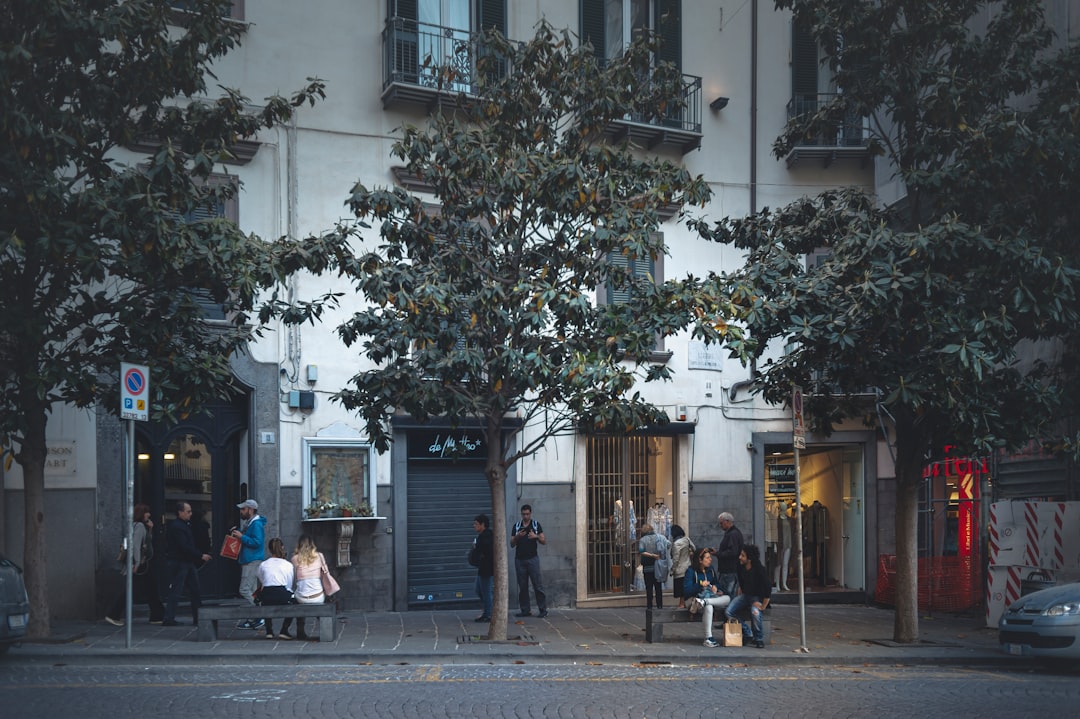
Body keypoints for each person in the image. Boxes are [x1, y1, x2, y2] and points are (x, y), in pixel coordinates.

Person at [105, 503, 164, 626]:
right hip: (140, 564)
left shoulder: (137, 526)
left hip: (141, 563)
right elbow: (136, 546)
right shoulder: (140, 526)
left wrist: (151, 529)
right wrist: (136, 563)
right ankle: (113, 614)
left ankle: (157, 616)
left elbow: (145, 543)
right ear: (142, 513)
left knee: (150, 589)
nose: (149, 514)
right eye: (147, 512)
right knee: (133, 590)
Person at [162, 501, 211, 626]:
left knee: (194, 590)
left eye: (190, 511)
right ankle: (169, 618)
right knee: (177, 590)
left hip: (187, 562)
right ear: (180, 512)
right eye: (188, 511)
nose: (190, 514)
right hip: (180, 562)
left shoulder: (184, 525)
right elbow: (184, 546)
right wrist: (200, 555)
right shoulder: (178, 527)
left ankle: (199, 617)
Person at [726, 543, 771, 648]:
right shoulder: (740, 567)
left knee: (755, 612)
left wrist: (763, 605)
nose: (740, 557)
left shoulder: (759, 569)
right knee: (729, 611)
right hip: (746, 595)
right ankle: (747, 632)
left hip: (757, 596)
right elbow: (741, 582)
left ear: (749, 559)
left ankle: (758, 638)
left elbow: (767, 587)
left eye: (743, 555)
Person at [683, 547, 731, 648]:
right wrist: (700, 586)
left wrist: (715, 587)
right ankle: (708, 638)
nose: (711, 559)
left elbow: (717, 583)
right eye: (707, 558)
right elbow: (687, 591)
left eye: (710, 557)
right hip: (693, 600)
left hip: (708, 598)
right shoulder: (690, 571)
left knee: (727, 599)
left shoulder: (711, 570)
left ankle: (705, 601)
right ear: (700, 560)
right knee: (709, 607)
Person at [231, 498, 267, 629]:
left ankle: (259, 615)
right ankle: (254, 617)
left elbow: (257, 542)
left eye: (243, 509)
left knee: (244, 589)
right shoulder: (250, 522)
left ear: (250, 510)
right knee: (252, 591)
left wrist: (241, 537)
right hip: (250, 559)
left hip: (252, 560)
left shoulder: (255, 524)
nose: (241, 511)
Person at [511, 504, 548, 618]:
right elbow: (512, 544)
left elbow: (544, 540)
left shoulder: (536, 525)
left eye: (527, 514)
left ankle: (542, 610)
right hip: (520, 560)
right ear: (521, 514)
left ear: (530, 513)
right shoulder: (517, 526)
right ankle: (525, 610)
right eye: (523, 514)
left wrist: (535, 536)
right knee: (522, 587)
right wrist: (517, 536)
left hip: (533, 559)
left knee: (537, 585)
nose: (525, 516)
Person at [257, 537, 296, 640]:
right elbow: (289, 584)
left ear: (269, 550)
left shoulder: (263, 564)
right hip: (281, 592)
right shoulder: (287, 565)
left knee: (265, 599)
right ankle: (284, 630)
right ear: (282, 548)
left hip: (267, 594)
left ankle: (269, 631)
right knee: (293, 602)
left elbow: (262, 580)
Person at [291, 534, 324, 641]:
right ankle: (324, 628)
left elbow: (295, 578)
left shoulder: (295, 559)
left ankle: (300, 631)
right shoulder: (320, 556)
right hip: (318, 596)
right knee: (320, 598)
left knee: (297, 598)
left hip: (301, 598)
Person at [714, 511, 744, 597]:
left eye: (721, 523)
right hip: (729, 569)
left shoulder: (733, 534)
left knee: (728, 593)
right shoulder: (732, 533)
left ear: (727, 521)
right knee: (727, 592)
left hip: (730, 569)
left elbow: (732, 552)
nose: (720, 526)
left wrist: (718, 553)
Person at [471, 514, 495, 622]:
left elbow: (486, 551)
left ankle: (489, 614)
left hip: (487, 568)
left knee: (486, 591)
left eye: (476, 524)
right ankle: (488, 609)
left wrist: (477, 548)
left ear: (483, 525)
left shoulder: (487, 536)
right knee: (479, 590)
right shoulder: (482, 536)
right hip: (482, 568)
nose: (474, 526)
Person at [637, 523, 666, 610]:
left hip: (647, 567)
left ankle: (649, 605)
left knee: (649, 587)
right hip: (658, 566)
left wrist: (651, 555)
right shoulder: (659, 537)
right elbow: (667, 545)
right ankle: (659, 605)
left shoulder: (642, 540)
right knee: (658, 587)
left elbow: (641, 551)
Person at [670, 524, 696, 609]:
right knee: (685, 586)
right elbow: (694, 548)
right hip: (687, 566)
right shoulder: (687, 539)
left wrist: (672, 570)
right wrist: (690, 554)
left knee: (680, 588)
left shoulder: (676, 544)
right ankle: (683, 603)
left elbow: (675, 559)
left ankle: (681, 604)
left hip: (679, 569)